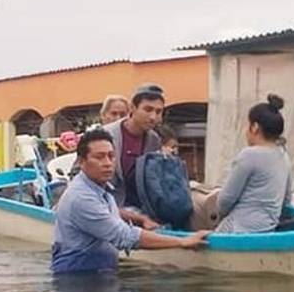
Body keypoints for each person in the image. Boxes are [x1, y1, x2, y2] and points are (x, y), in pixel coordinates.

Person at [51, 129, 208, 273]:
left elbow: (108, 215)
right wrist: (182, 242)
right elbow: (124, 236)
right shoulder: (81, 197)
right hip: (77, 279)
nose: (107, 163)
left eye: (111, 156)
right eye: (99, 157)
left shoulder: (99, 189)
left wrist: (140, 219)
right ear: (82, 161)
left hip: (96, 273)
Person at [214, 94, 292, 233]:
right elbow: (286, 199)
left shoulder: (249, 155)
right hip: (268, 229)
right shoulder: (284, 156)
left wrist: (219, 215)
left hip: (238, 228)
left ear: (255, 127)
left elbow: (225, 200)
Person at [102, 84, 166, 213]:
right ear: (133, 108)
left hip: (141, 207)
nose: (153, 117)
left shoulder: (154, 140)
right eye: (148, 110)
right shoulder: (105, 134)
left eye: (158, 112)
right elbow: (77, 174)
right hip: (105, 206)